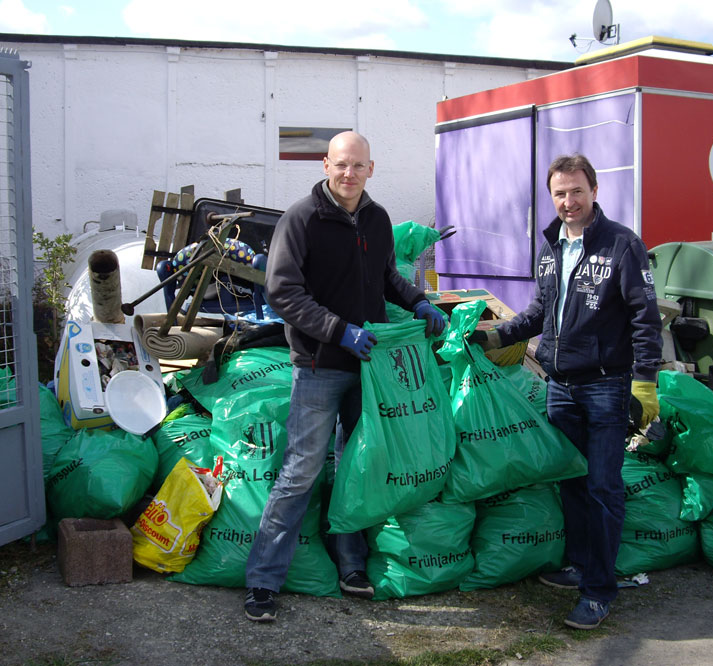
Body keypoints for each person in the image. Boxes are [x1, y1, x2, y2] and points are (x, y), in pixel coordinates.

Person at [244, 131, 446, 622]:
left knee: (359, 467)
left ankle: (351, 566)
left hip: (368, 368)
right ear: (325, 165)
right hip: (318, 367)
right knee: (301, 473)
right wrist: (338, 331)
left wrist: (416, 300)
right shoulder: (302, 219)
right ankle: (263, 581)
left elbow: (383, 277)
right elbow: (283, 293)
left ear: (370, 169)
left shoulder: (377, 219)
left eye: (358, 165)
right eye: (340, 165)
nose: (349, 173)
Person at [470, 153, 662, 630]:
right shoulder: (551, 246)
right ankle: (579, 565)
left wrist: (645, 383)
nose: (568, 201)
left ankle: (599, 590)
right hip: (560, 385)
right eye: (560, 193)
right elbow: (540, 311)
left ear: (594, 191)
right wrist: (497, 335)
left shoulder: (622, 245)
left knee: (602, 487)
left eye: (577, 191)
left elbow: (645, 318)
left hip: (606, 386)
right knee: (573, 481)